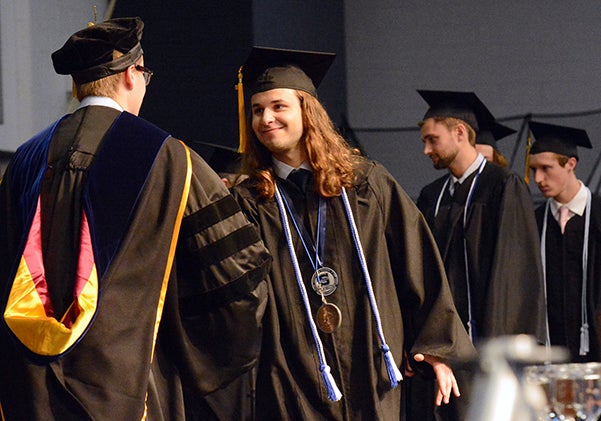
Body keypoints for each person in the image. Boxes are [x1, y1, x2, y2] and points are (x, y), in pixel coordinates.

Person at [0, 18, 271, 420]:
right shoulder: (171, 160)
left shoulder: (25, 160)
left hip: (29, 392)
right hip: (133, 388)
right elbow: (235, 277)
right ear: (131, 74)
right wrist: (193, 353)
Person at [230, 47, 476, 420]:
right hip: (293, 377)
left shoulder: (364, 182)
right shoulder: (251, 200)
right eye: (257, 110)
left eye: (279, 106)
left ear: (307, 110)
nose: (266, 118)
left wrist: (439, 348)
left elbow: (416, 259)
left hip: (370, 365)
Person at [414, 90, 546, 420]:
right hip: (444, 351)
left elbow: (513, 277)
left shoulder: (503, 185)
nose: (426, 149)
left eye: (433, 139)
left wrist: (498, 354)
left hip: (485, 350)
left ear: (460, 133)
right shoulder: (432, 196)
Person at [528, 120, 601, 362]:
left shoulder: (598, 214)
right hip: (550, 351)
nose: (538, 178)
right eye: (533, 169)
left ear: (571, 164)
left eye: (546, 168)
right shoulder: (534, 221)